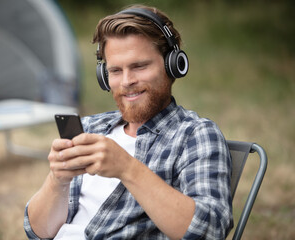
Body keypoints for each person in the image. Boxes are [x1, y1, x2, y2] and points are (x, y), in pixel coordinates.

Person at [24, 4, 233, 240]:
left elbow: (210, 231)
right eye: (115, 71)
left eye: (139, 66)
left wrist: (126, 167)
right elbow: (36, 232)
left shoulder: (195, 135)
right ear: (104, 77)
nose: (126, 81)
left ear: (172, 65)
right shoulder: (89, 128)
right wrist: (57, 180)